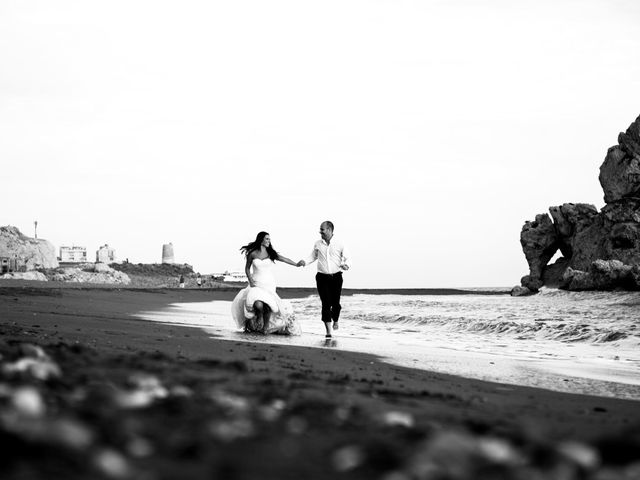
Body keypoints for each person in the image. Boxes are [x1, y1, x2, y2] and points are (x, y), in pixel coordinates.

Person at [231, 231, 303, 335]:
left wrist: (296, 264)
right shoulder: (253, 253)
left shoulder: (271, 253)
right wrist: (250, 280)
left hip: (269, 283)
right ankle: (259, 317)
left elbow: (283, 259)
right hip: (256, 283)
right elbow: (247, 269)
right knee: (258, 304)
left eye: (269, 239)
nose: (269, 241)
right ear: (261, 240)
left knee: (269, 305)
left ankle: (265, 328)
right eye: (267, 239)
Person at [301, 221, 350, 338]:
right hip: (322, 277)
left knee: (336, 304)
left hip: (336, 277)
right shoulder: (318, 243)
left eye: (322, 229)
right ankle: (328, 332)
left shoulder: (340, 243)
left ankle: (336, 319)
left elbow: (348, 258)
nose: (320, 232)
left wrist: (346, 265)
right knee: (326, 304)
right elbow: (312, 256)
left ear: (329, 230)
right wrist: (304, 262)